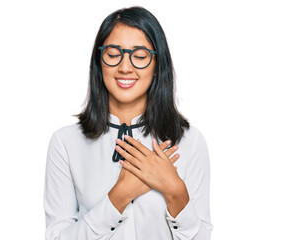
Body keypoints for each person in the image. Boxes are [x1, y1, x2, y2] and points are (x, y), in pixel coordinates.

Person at [44, 6, 213, 240]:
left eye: (140, 56)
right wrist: (120, 195)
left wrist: (176, 192)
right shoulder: (65, 143)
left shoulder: (190, 141)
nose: (125, 67)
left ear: (157, 65)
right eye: (113, 55)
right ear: (98, 62)